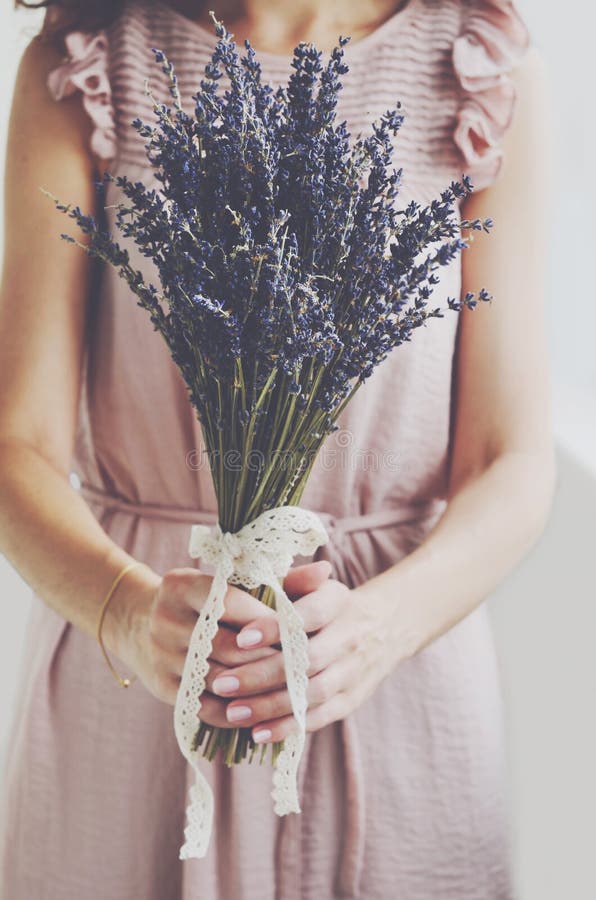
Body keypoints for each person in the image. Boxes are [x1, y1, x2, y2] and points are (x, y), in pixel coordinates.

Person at [0, 0, 555, 897]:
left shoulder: (482, 69)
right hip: (138, 666)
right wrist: (128, 614)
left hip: (393, 671)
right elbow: (14, 444)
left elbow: (510, 458)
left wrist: (379, 632)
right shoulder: (89, 61)